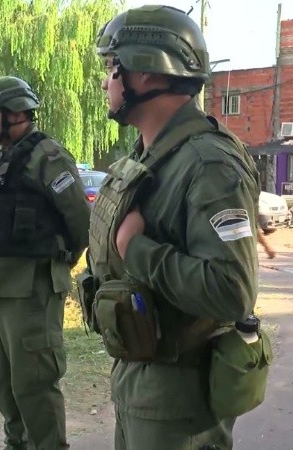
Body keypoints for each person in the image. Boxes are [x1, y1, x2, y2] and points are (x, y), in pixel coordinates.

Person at [87, 5, 263, 449]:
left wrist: (137, 249)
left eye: (113, 67)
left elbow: (231, 290)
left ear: (145, 73)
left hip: (181, 398)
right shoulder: (151, 155)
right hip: (140, 374)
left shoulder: (209, 163)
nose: (107, 81)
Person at [0, 76, 90, 449]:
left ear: (15, 113)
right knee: (1, 381)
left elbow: (79, 219)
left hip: (31, 287)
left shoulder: (46, 157)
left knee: (33, 382)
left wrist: (60, 263)